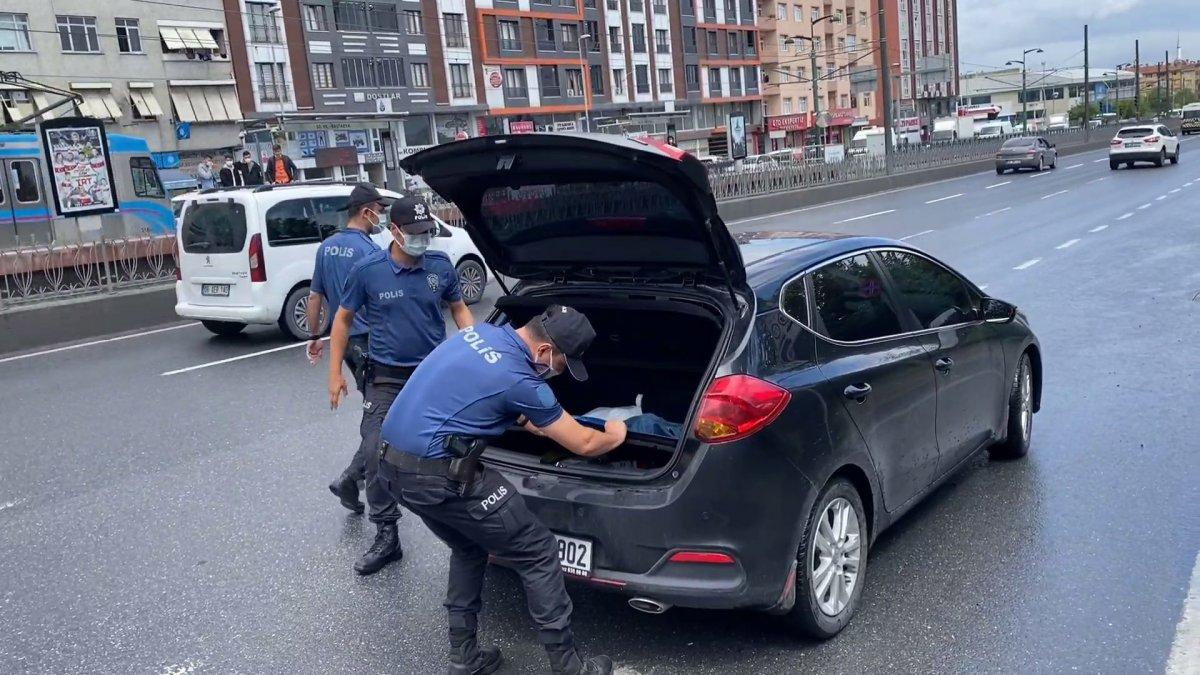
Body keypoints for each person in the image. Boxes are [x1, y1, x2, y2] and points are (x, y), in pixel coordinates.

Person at [376, 306, 624, 674]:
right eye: (561, 363)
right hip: (437, 477)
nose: (558, 372)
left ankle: (464, 658)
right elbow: (586, 443)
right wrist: (616, 435)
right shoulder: (522, 381)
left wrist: (535, 418)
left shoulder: (479, 334)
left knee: (468, 545)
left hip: (390, 468)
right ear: (543, 352)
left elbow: (488, 393)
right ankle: (570, 668)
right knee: (538, 550)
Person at [327, 192, 474, 575]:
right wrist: (334, 375)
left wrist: (473, 346)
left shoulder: (440, 266)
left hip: (432, 376)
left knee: (458, 448)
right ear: (394, 230)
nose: (422, 239)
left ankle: (470, 525)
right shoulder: (368, 270)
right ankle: (387, 535)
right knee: (377, 452)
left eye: (427, 231)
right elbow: (342, 320)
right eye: (414, 232)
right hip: (387, 378)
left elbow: (459, 309)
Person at [307, 184, 386, 515]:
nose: (381, 216)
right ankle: (353, 479)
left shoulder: (327, 247)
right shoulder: (369, 250)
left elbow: (315, 298)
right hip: (371, 339)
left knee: (377, 411)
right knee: (382, 416)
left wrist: (314, 336)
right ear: (366, 210)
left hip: (347, 342)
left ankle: (362, 477)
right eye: (379, 210)